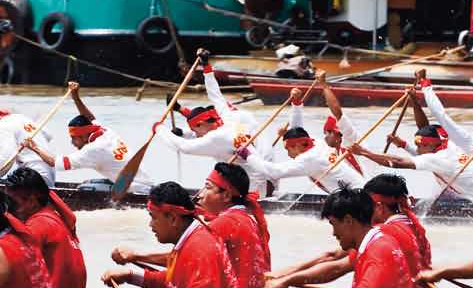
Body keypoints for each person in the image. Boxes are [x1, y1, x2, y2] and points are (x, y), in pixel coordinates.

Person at [265, 187, 414, 288]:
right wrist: (286, 281)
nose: (333, 233)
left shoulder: (379, 248)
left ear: (349, 221)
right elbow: (333, 270)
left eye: (333, 224)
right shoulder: (377, 241)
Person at [103, 182, 242, 288]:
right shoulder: (192, 238)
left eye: (154, 218)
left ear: (173, 219)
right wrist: (130, 275)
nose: (150, 224)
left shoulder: (201, 245)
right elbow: (176, 282)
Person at [154, 50, 275, 197]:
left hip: (256, 182)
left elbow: (183, 147)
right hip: (267, 172)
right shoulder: (230, 119)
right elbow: (215, 95)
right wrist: (206, 66)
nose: (196, 135)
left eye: (195, 130)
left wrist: (158, 128)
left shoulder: (219, 135)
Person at [23, 82, 152, 194]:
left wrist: (34, 147)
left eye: (74, 138)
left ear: (84, 136)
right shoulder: (105, 132)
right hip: (143, 182)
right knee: (88, 182)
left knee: (84, 189)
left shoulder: (93, 149)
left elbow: (55, 163)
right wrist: (75, 96)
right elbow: (89, 117)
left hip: (135, 189)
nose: (72, 143)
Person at [2, 168, 87, 288]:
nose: (9, 208)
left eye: (11, 202)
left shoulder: (38, 226)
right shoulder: (60, 219)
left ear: (32, 200)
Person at [350, 120, 473, 208]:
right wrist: (402, 144)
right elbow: (425, 126)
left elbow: (396, 162)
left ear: (431, 146)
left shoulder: (439, 158)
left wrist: (364, 152)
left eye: (420, 146)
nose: (417, 149)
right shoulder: (448, 146)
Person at [196, 163, 270, 288]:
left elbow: (185, 256)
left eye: (207, 187)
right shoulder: (246, 220)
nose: (201, 193)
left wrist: (135, 257)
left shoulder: (227, 222)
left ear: (227, 195)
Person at [240, 92, 364, 193]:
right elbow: (297, 129)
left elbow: (273, 172)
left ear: (297, 145)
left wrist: (248, 154)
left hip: (358, 197)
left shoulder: (308, 159)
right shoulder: (316, 143)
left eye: (288, 149)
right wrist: (296, 104)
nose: (289, 155)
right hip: (360, 189)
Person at [286, 69, 365, 178]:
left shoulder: (351, 139)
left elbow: (337, 111)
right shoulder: (326, 150)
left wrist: (324, 85)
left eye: (327, 133)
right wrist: (296, 103)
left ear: (337, 133)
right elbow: (296, 133)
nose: (325, 138)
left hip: (365, 188)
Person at [0, 105, 55, 187]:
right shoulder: (19, 117)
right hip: (49, 174)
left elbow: (8, 155)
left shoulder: (2, 127)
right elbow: (48, 135)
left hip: (35, 177)